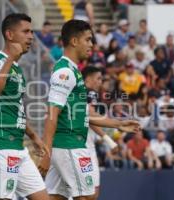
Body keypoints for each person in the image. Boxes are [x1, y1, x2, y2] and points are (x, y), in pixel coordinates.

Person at [38, 19, 139, 200]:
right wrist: (46, 152)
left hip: (68, 143)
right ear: (74, 41)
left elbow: (84, 114)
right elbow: (52, 113)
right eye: (88, 39)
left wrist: (118, 124)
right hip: (68, 144)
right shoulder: (65, 72)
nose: (91, 45)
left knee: (57, 197)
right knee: (88, 196)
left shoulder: (73, 71)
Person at [0, 13, 49, 200]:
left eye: (32, 32)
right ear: (10, 35)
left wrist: (33, 135)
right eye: (26, 31)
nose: (31, 36)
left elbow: (15, 108)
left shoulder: (16, 68)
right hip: (0, 143)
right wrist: (10, 59)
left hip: (16, 145)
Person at [82, 66, 118, 199]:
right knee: (90, 193)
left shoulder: (80, 92)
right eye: (98, 78)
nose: (100, 82)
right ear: (88, 79)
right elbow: (91, 118)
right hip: (82, 148)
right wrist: (109, 140)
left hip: (86, 144)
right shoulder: (90, 92)